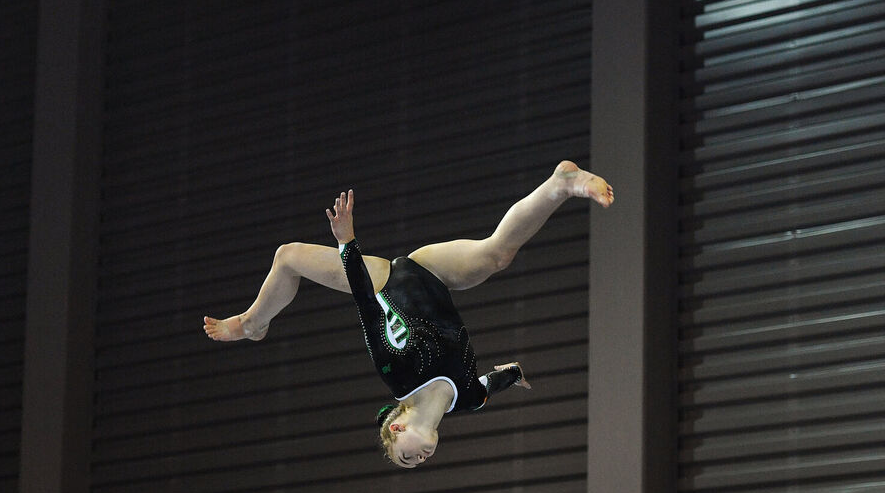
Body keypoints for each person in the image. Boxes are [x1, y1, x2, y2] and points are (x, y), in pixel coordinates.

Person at [204, 161, 613, 468]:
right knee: (497, 255)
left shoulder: (398, 374)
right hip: (431, 273)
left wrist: (347, 243)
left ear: (397, 428)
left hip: (384, 283)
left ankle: (253, 322)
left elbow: (367, 306)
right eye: (415, 463)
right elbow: (493, 382)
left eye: (406, 457)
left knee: (288, 256)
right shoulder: (467, 399)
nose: (418, 461)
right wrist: (513, 373)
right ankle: (562, 183)